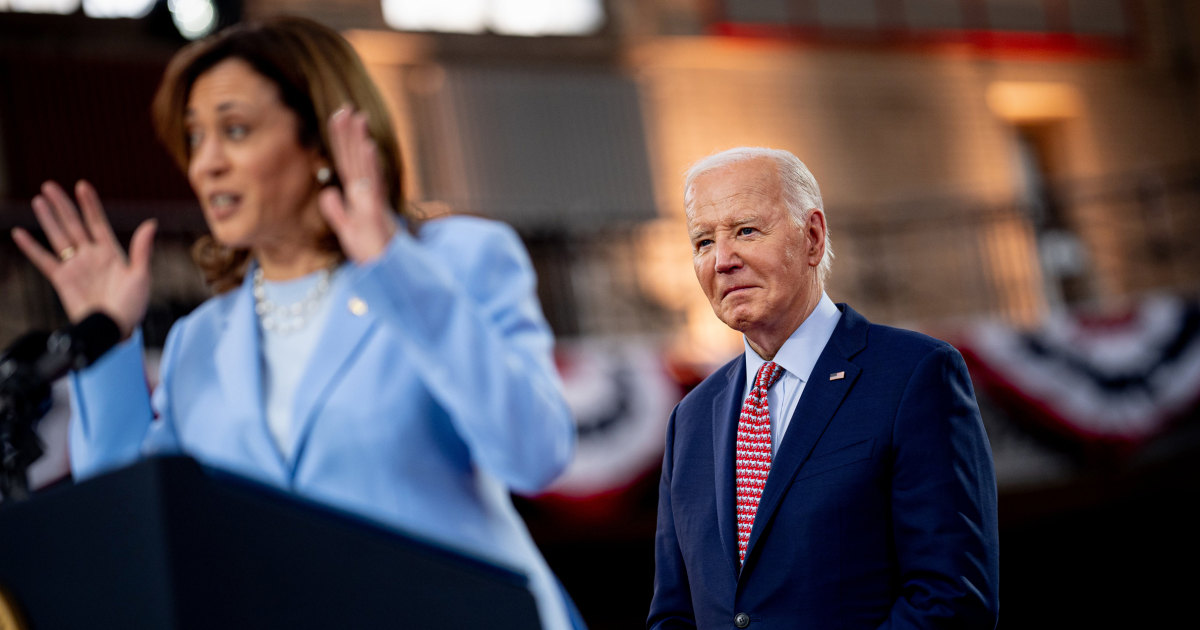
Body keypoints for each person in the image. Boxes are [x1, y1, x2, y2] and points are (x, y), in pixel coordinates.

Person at [10, 16, 580, 630]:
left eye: (235, 130)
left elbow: (535, 453)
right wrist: (109, 346)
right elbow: (129, 531)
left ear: (321, 141)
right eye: (195, 138)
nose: (207, 164)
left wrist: (391, 267)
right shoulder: (201, 339)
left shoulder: (454, 259)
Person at [647, 147, 999, 629]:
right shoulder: (688, 419)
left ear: (812, 237)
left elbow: (951, 599)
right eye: (703, 241)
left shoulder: (915, 375)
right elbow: (673, 614)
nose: (722, 260)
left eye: (746, 230)